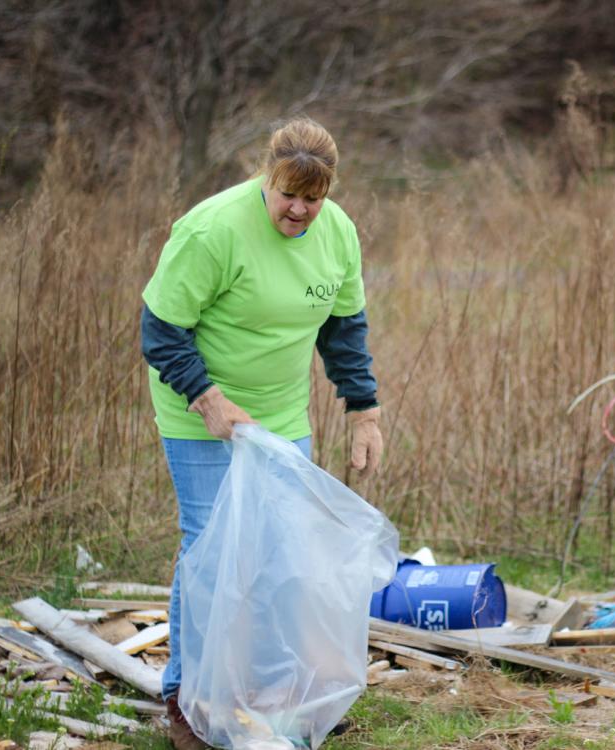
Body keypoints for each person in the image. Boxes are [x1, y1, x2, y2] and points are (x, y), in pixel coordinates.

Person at [141, 116, 382, 749]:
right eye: (288, 195)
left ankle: (275, 692)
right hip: (200, 412)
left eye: (314, 198)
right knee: (211, 550)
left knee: (280, 553)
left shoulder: (338, 234)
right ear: (266, 177)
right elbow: (160, 330)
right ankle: (185, 699)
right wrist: (205, 396)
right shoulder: (213, 230)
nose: (299, 210)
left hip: (279, 414)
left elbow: (344, 328)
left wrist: (364, 408)